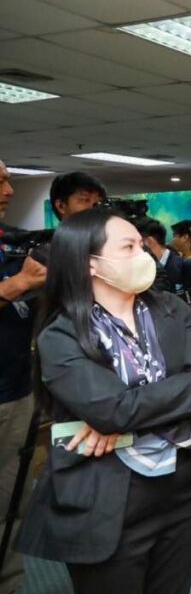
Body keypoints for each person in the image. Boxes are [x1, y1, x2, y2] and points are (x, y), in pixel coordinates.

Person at [15, 208, 191, 593]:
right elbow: (115, 410)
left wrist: (125, 413)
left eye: (141, 246)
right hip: (105, 496)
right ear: (89, 263)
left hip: (179, 488)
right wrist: (186, 386)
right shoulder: (61, 334)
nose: (143, 255)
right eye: (128, 247)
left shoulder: (171, 309)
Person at [0, 160, 46, 593]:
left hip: (15, 393)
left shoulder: (7, 248)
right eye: (0, 181)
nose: (11, 190)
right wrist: (13, 287)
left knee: (13, 502)